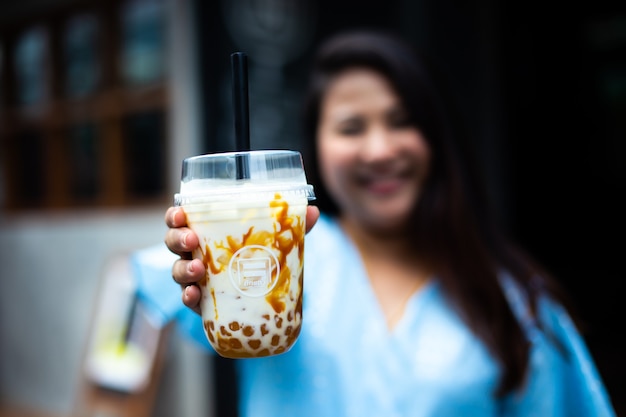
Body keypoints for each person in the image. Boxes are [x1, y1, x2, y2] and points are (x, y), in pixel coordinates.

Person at [157, 30, 616, 416]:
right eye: (351, 127)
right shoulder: (282, 254)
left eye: (401, 121)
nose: (378, 150)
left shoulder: (517, 302)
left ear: (437, 137)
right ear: (316, 145)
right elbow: (132, 292)